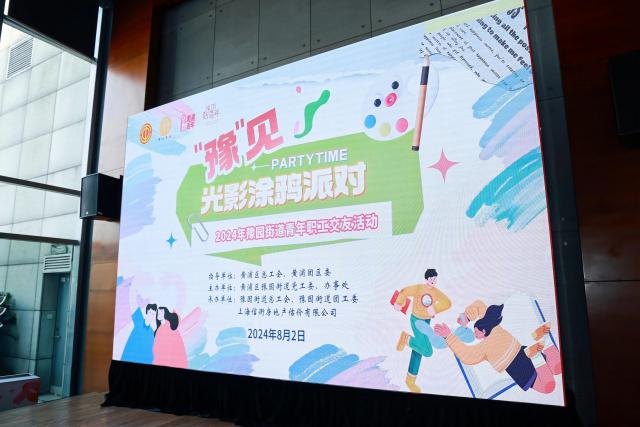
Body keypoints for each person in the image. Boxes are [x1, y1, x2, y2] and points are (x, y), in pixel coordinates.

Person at [434, 301, 560, 394]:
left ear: (483, 331)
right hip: (523, 351)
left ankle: (537, 355)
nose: (475, 335)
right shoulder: (494, 327)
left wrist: (449, 336)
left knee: (547, 387)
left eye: (476, 332)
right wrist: (466, 316)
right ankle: (546, 341)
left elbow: (467, 355)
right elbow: (480, 306)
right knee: (556, 368)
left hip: (515, 367)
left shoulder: (484, 348)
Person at [394, 269, 451, 393]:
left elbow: (447, 302)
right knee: (428, 351)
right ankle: (406, 339)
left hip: (426, 322)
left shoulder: (436, 292)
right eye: (431, 279)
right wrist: (399, 302)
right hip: (416, 320)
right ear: (426, 279)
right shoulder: (419, 288)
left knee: (419, 349)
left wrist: (435, 308)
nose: (433, 281)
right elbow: (404, 291)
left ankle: (410, 381)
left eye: (435, 279)